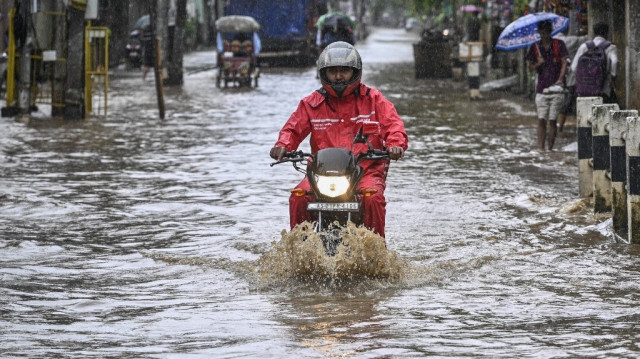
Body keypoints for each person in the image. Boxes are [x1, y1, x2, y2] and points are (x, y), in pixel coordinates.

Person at [270, 41, 408, 239]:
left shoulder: (374, 99)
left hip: (364, 171)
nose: (338, 76)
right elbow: (292, 128)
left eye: (344, 70)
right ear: (324, 73)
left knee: (373, 199)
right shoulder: (310, 103)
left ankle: (375, 253)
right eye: (333, 71)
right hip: (320, 174)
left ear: (355, 71)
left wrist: (395, 144)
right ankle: (299, 251)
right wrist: (282, 145)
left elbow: (393, 126)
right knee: (298, 197)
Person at [526, 20, 569, 151]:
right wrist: (538, 63)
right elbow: (530, 68)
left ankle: (549, 149)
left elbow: (564, 63)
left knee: (552, 120)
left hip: (556, 89)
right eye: (542, 33)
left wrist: (560, 79)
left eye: (546, 32)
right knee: (541, 119)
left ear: (550, 32)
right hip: (541, 89)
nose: (544, 35)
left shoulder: (559, 45)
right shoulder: (534, 48)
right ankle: (541, 149)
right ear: (539, 33)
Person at [571, 22, 618, 104]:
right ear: (607, 33)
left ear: (594, 33)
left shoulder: (584, 46)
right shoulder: (611, 47)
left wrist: (583, 77)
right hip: (603, 88)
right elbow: (615, 61)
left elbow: (574, 67)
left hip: (584, 89)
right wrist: (613, 76)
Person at [554, 30, 588, 134]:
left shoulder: (549, 44)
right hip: (571, 78)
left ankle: (557, 128)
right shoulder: (570, 40)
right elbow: (586, 38)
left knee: (559, 104)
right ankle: (563, 129)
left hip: (557, 78)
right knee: (568, 102)